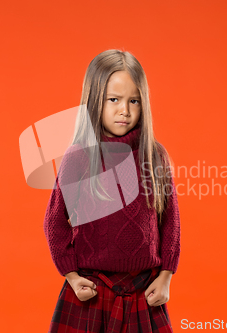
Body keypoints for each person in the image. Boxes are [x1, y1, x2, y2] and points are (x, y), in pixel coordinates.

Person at [43, 49, 181, 333]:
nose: (125, 111)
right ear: (94, 102)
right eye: (114, 100)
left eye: (134, 101)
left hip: (145, 290)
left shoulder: (155, 155)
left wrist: (166, 276)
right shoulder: (79, 157)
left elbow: (171, 222)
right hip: (91, 292)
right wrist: (70, 274)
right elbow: (54, 221)